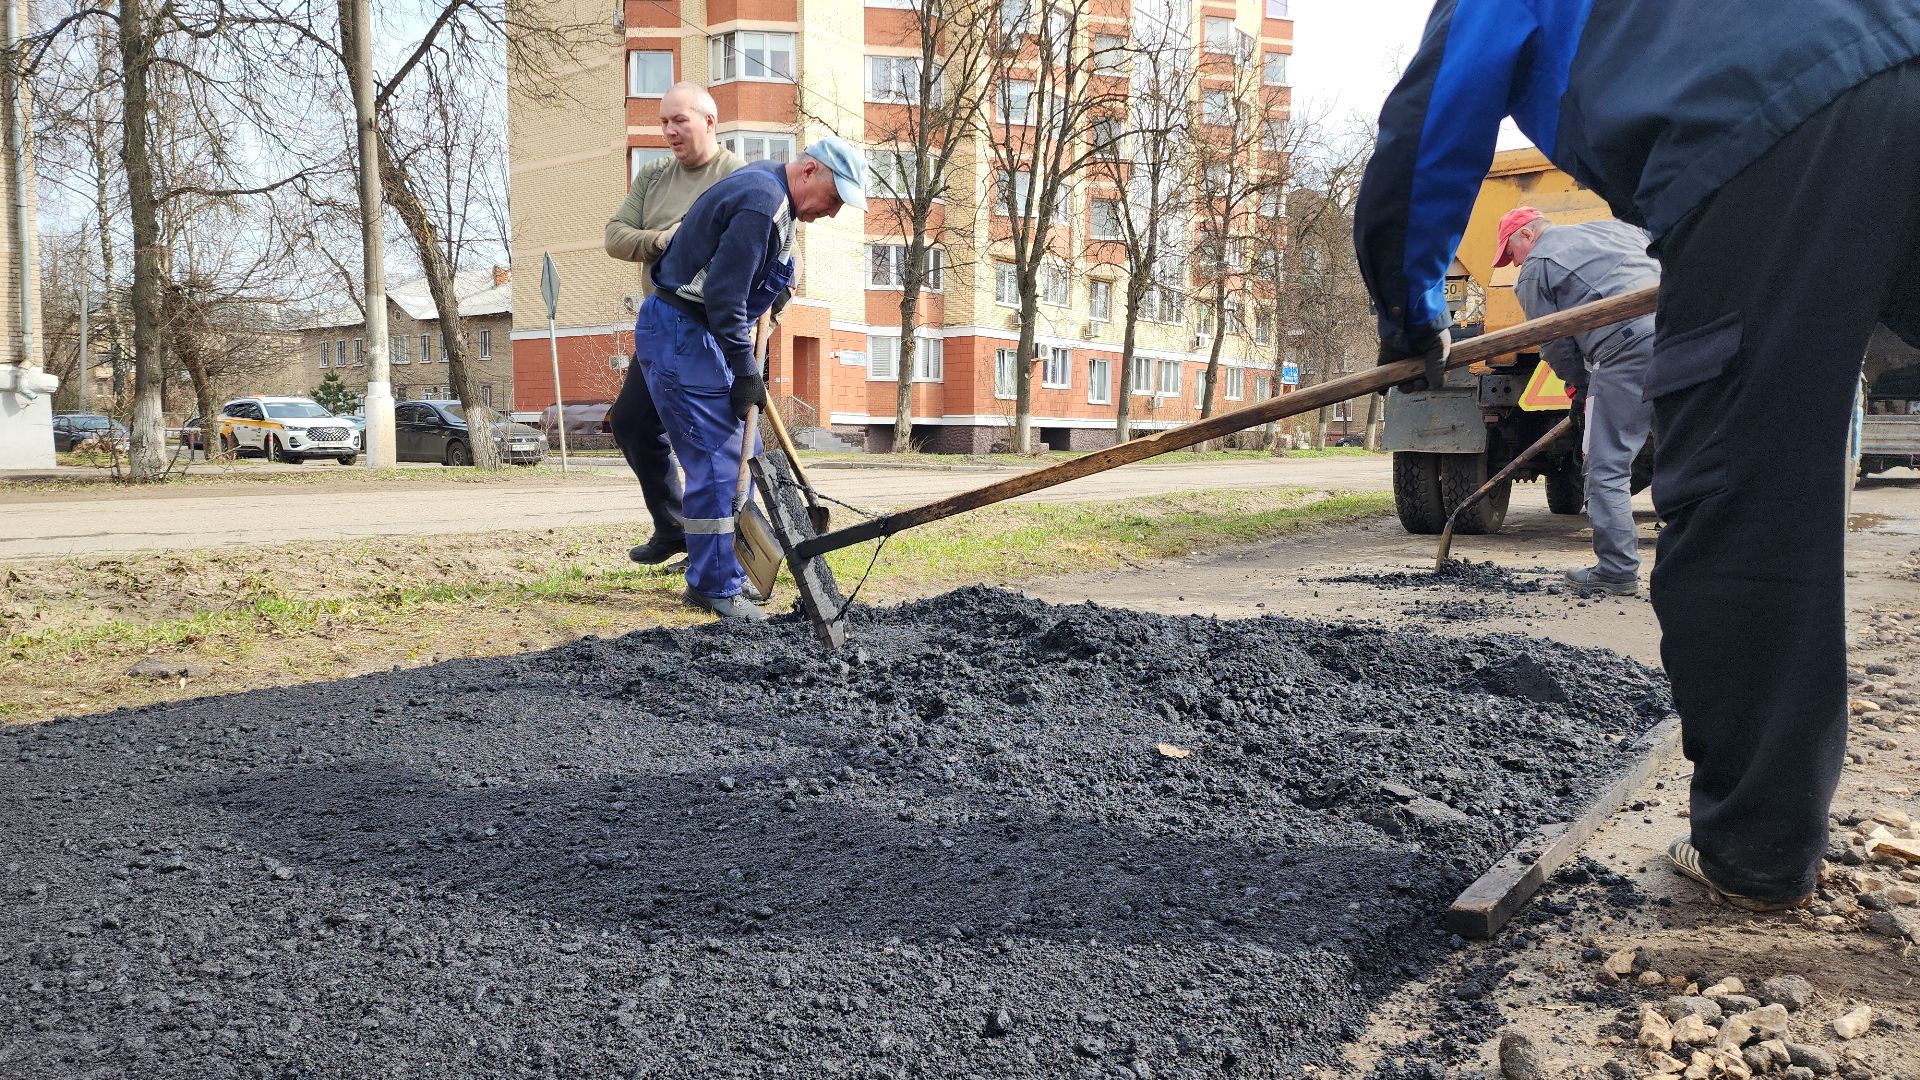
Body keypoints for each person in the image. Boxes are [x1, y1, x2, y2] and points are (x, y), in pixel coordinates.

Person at [1353, 1, 1920, 912]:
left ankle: (1756, 847)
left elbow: (1427, 133)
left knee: (1741, 485)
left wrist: (1411, 319)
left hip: (1766, 127)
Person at [635, 137, 866, 620]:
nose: (834, 212)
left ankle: (723, 566)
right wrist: (745, 370)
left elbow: (747, 282)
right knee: (719, 460)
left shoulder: (773, 194)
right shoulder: (763, 204)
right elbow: (723, 297)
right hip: (684, 331)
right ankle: (713, 586)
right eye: (835, 197)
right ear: (809, 172)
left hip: (698, 334)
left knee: (746, 452)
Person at [604, 83, 746, 566]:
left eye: (678, 120)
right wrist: (662, 240)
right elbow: (615, 236)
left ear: (709, 120)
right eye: (663, 121)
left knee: (713, 442)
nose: (668, 131)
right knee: (631, 423)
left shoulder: (734, 175)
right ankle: (674, 527)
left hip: (710, 332)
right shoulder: (653, 176)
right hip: (660, 329)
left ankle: (726, 543)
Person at [1498, 207, 1658, 596]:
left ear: (1526, 236)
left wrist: (1582, 387)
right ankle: (1703, 566)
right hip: (1682, 334)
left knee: (1606, 467)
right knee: (1687, 457)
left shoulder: (1536, 265)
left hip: (1626, 348)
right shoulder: (1616, 230)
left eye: (1510, 253)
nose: (1512, 263)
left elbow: (1554, 340)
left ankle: (1616, 571)